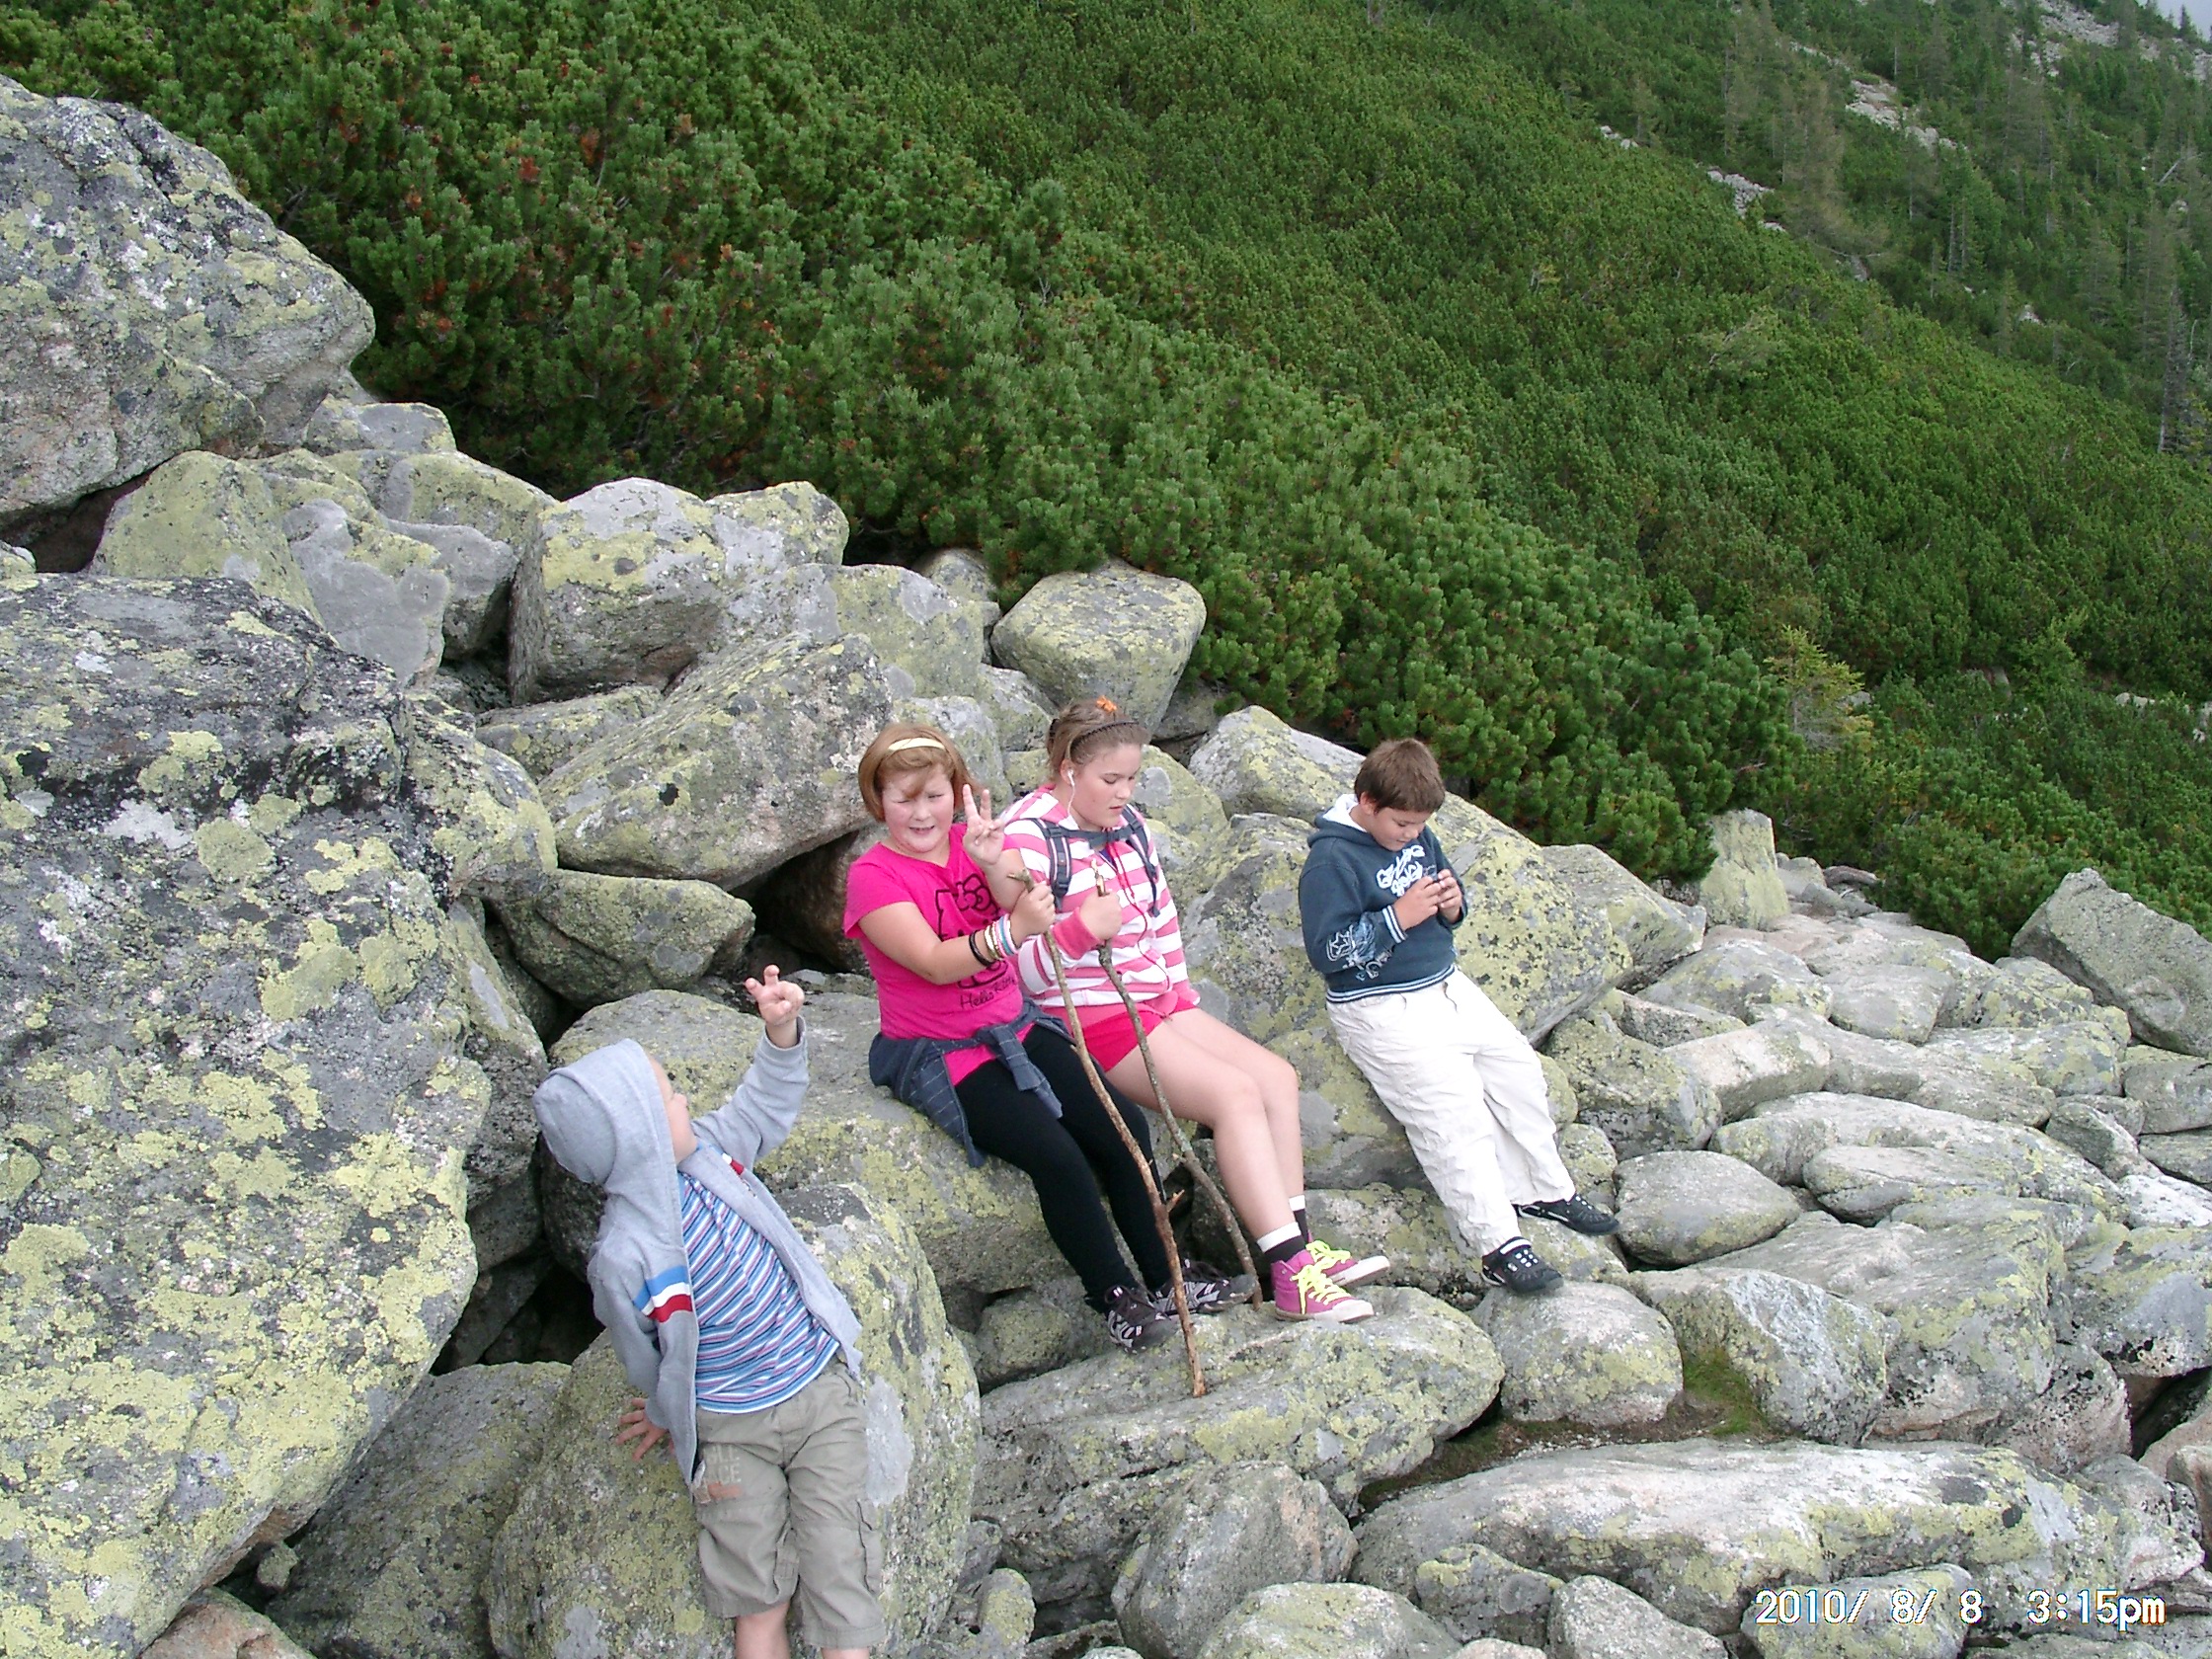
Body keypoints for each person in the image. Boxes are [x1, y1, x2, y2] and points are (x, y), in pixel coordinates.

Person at [842, 721, 1235, 1354]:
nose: (921, 813)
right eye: (903, 799)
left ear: (956, 793)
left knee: (1124, 1128)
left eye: (935, 796)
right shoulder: (874, 877)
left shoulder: (972, 842)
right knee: (1057, 1156)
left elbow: (1021, 896)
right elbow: (934, 963)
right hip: (943, 1052)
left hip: (1017, 1025)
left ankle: (1168, 1276)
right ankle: (1114, 1296)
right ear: (877, 801)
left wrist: (996, 860)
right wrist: (1012, 930)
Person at [531, 968, 884, 1659]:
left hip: (817, 1394)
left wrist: (781, 1033)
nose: (686, 1099)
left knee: (840, 1575)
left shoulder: (712, 1155)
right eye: (670, 1096)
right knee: (757, 1600)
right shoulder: (623, 1257)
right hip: (729, 1431)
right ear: (638, 1135)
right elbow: (641, 1351)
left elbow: (762, 1109)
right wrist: (666, 1412)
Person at [1004, 697, 1388, 1324]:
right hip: (1085, 1015)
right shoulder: (1026, 837)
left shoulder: (1129, 824)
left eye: (1133, 778)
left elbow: (1162, 916)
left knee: (1277, 1078)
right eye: (1111, 779)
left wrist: (1177, 991)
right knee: (1232, 1095)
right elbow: (1020, 969)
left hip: (1153, 999)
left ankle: (1300, 1244)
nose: (1125, 793)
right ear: (1069, 768)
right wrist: (1078, 932)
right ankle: (1289, 1273)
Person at [1298, 737, 1620, 1295]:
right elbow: (1327, 954)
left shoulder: (1417, 835)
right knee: (1453, 1114)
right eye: (1402, 823)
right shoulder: (1331, 860)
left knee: (1519, 1073)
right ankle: (1498, 1245)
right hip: (1378, 1005)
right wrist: (1397, 918)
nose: (1412, 834)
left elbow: (1449, 895)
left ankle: (1543, 1190)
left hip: (1446, 984)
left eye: (1421, 824)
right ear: (1367, 802)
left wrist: (1452, 905)